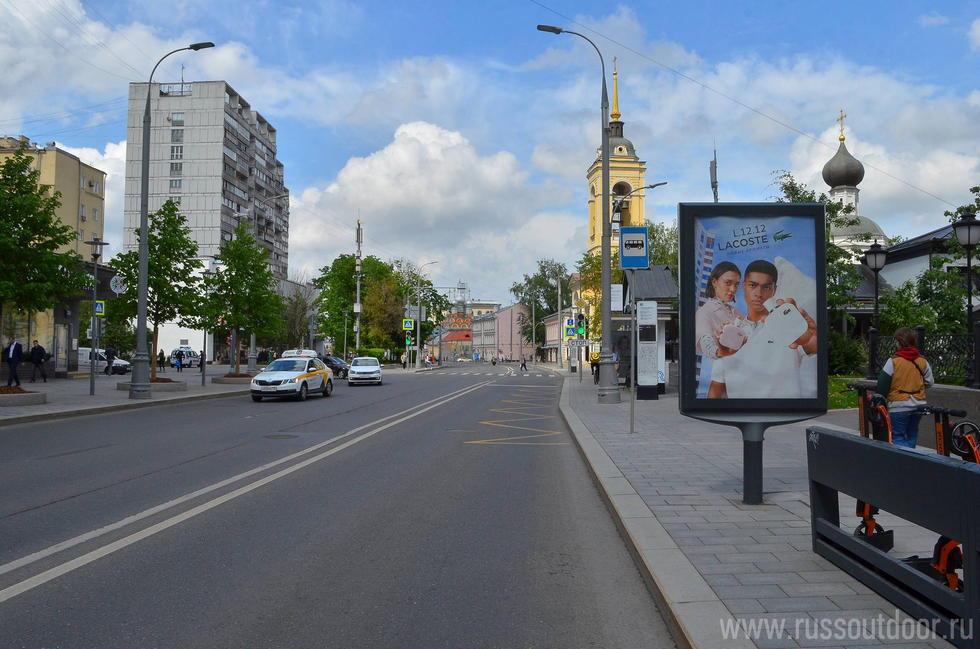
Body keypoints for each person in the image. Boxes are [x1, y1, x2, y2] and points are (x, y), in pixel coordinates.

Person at [707, 259, 817, 399]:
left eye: (766, 287)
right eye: (753, 285)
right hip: (742, 416)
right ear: (744, 286)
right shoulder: (729, 333)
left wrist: (811, 335)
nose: (759, 293)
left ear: (774, 290)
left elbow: (814, 345)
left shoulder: (788, 327)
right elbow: (717, 389)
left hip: (786, 416)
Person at [876, 327, 934, 448]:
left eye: (896, 341)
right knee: (912, 435)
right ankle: (912, 461)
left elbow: (882, 386)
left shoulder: (893, 361)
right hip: (919, 404)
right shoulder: (923, 361)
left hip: (899, 405)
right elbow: (929, 382)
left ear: (899, 342)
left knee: (898, 436)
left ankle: (903, 463)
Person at [695, 261, 745, 359]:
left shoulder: (737, 313)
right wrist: (720, 351)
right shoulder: (704, 312)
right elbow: (706, 343)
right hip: (723, 372)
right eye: (728, 283)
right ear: (714, 282)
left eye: (736, 285)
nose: (733, 289)